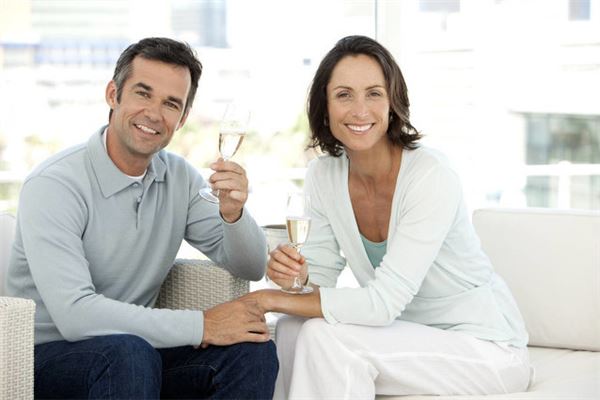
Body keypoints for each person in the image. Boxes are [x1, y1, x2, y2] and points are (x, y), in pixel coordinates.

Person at [242, 35, 532, 399]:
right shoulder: (323, 174)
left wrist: (266, 299)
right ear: (325, 106)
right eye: (344, 95)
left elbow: (382, 304)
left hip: (484, 347)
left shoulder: (430, 175)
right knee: (292, 326)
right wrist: (294, 276)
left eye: (374, 94)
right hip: (403, 337)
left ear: (393, 103)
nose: (360, 110)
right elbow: (318, 280)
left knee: (324, 336)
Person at [5, 37, 277, 399]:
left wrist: (234, 213)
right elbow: (75, 316)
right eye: (143, 94)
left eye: (171, 104)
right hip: (42, 362)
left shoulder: (179, 178)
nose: (153, 113)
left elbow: (251, 266)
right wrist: (202, 324)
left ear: (182, 119)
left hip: (134, 356)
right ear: (113, 94)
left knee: (251, 350)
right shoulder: (55, 184)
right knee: (128, 354)